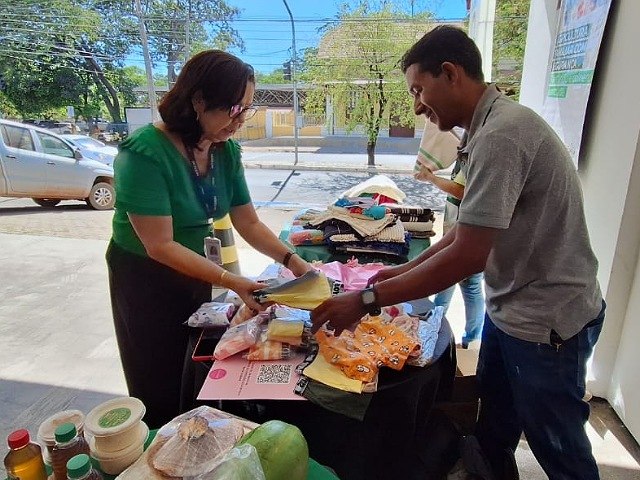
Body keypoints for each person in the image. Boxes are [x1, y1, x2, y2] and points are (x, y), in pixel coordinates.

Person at [311, 26, 605, 480]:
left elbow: (468, 256)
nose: (417, 107)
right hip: (510, 311)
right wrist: (401, 271)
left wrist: (367, 301)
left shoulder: (503, 136)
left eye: (418, 90)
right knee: (494, 426)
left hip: (547, 321)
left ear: (449, 73)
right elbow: (465, 231)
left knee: (557, 443)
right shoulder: (486, 129)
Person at [106, 50, 313, 429]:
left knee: (194, 359)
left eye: (247, 109)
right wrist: (233, 281)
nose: (240, 121)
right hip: (145, 277)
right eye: (235, 108)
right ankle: (158, 443)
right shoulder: (144, 154)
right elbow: (160, 245)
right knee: (154, 368)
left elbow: (247, 221)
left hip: (197, 269)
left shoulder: (224, 150)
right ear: (198, 101)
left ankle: (192, 432)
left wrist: (294, 261)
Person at [413, 97, 485, 348]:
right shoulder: (468, 142)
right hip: (457, 222)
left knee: (469, 283)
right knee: (449, 276)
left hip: (467, 226)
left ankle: (469, 336)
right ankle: (437, 324)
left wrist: (431, 178)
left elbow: (461, 190)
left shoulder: (482, 144)